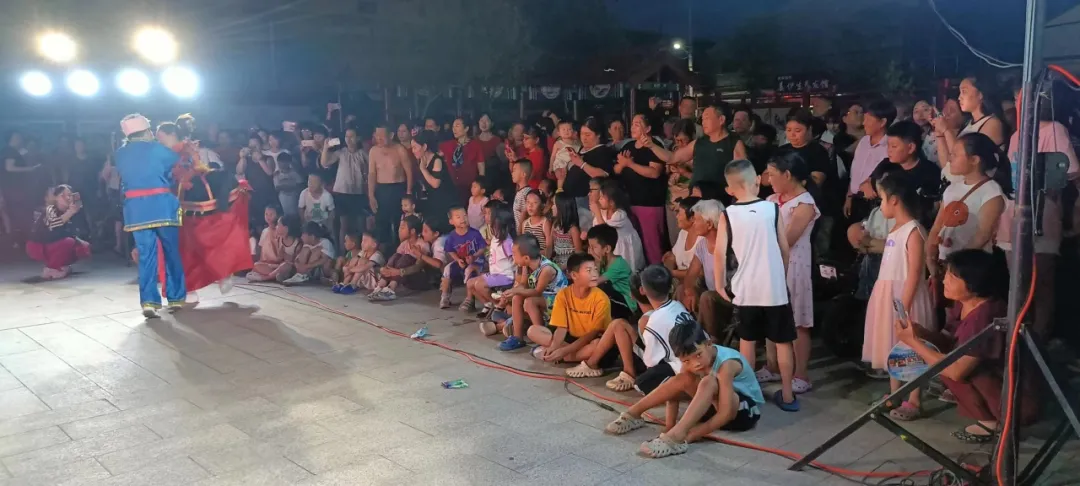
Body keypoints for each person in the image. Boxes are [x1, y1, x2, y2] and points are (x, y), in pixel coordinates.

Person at [894, 249, 1037, 443]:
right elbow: (948, 340)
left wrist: (913, 342)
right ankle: (991, 419)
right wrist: (920, 333)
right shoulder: (963, 305)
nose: (944, 281)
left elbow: (956, 371)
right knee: (941, 356)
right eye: (946, 274)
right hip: (995, 384)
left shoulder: (985, 316)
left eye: (952, 278)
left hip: (1015, 399)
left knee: (949, 365)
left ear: (974, 283)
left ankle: (996, 421)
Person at [604, 319, 763, 459]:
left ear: (708, 344)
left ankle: (677, 437)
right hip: (715, 406)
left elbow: (726, 414)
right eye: (687, 360)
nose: (695, 363)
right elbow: (676, 389)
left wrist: (690, 435)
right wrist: (669, 426)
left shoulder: (727, 365)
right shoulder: (691, 362)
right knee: (683, 377)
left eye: (698, 355)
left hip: (743, 413)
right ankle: (634, 413)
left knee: (708, 381)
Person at [714, 159, 799, 411]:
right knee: (783, 343)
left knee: (747, 342)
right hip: (774, 289)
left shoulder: (728, 215)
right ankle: (788, 394)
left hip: (745, 289)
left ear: (729, 189)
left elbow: (719, 253)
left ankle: (749, 395)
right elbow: (785, 249)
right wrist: (780, 277)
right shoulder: (772, 209)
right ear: (758, 181)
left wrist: (719, 284)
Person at [862, 171, 936, 419]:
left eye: (882, 199)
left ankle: (914, 399)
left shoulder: (913, 230)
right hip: (888, 295)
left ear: (894, 200)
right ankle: (894, 394)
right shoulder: (895, 229)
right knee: (892, 345)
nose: (881, 205)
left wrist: (903, 307)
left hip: (906, 298)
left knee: (911, 348)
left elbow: (914, 272)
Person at [568, 265, 686, 394]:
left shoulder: (648, 320)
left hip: (667, 366)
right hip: (678, 360)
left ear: (635, 294)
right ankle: (594, 364)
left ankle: (627, 372)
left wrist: (646, 380)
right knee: (618, 324)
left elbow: (652, 360)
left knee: (618, 326)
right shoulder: (677, 305)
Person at [113, 114, 185, 316]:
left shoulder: (120, 153)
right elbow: (174, 162)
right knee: (171, 252)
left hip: (137, 210)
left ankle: (149, 303)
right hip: (162, 206)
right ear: (146, 131)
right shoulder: (158, 149)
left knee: (146, 256)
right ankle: (176, 298)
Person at [761, 152, 820, 394]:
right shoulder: (771, 199)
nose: (768, 179)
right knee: (770, 314)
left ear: (787, 175)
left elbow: (789, 239)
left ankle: (801, 374)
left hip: (794, 266)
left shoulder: (805, 204)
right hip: (769, 263)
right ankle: (772, 366)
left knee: (798, 321)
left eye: (772, 174)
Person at [926, 133, 1010, 280]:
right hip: (945, 263)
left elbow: (983, 235)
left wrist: (955, 264)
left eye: (955, 155)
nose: (950, 159)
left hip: (970, 269)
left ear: (974, 160)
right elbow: (937, 225)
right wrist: (930, 255)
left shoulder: (991, 192)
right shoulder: (952, 189)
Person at [644, 104, 748, 206]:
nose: (703, 122)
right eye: (702, 119)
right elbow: (672, 158)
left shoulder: (734, 143)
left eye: (707, 118)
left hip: (721, 202)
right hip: (696, 200)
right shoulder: (699, 143)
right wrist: (652, 145)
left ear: (721, 120)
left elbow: (742, 178)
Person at [525, 253, 614, 365]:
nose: (595, 274)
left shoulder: (601, 299)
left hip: (591, 339)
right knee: (533, 331)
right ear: (574, 275)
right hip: (570, 339)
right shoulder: (563, 295)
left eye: (595, 269)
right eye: (589, 270)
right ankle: (572, 356)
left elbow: (592, 334)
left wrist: (564, 351)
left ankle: (565, 357)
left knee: (597, 345)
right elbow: (561, 328)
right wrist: (554, 346)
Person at [780, 109, 838, 253]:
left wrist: (785, 181)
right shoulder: (781, 151)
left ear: (809, 130)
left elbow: (816, 180)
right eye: (788, 130)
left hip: (815, 207)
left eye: (797, 130)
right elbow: (767, 178)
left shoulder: (818, 151)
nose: (792, 135)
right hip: (784, 207)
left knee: (813, 249)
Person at [497, 234, 568, 351]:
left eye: (514, 254)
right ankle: (517, 337)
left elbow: (537, 291)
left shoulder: (546, 269)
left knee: (529, 302)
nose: (513, 257)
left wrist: (516, 291)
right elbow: (523, 284)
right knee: (516, 298)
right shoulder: (527, 265)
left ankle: (540, 336)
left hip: (559, 302)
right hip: (545, 298)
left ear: (526, 258)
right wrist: (513, 291)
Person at [615, 114, 667, 265]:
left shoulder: (654, 145)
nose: (633, 127)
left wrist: (630, 164)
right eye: (632, 124)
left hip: (649, 202)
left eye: (637, 124)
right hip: (630, 201)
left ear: (648, 128)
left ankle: (656, 272)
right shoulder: (628, 146)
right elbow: (616, 170)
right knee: (634, 242)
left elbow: (654, 172)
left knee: (652, 243)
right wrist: (623, 164)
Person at [936, 76, 1008, 183]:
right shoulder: (968, 123)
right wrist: (939, 133)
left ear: (980, 94)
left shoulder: (992, 124)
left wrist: (946, 130)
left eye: (964, 92)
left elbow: (965, 158)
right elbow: (948, 163)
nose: (959, 97)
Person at [876, 120, 944, 228]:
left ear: (911, 147)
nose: (889, 150)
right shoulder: (887, 166)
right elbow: (871, 187)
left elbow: (932, 209)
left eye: (894, 146)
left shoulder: (929, 172)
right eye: (888, 146)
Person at [683, 199, 730, 339]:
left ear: (709, 224)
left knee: (707, 297)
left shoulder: (729, 244)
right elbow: (691, 274)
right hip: (712, 295)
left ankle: (712, 340)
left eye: (697, 220)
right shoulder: (702, 245)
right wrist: (689, 291)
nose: (693, 223)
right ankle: (686, 332)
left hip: (729, 298)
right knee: (681, 290)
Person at [845, 100, 896, 223]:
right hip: (856, 200)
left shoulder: (891, 146)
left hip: (875, 203)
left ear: (882, 122)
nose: (864, 123)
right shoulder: (863, 142)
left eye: (868, 120)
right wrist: (849, 196)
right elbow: (855, 173)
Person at [26, 185, 91, 279]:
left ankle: (61, 266)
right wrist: (70, 212)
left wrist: (81, 242)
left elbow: (73, 231)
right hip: (37, 245)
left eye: (69, 195)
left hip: (54, 242)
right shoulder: (50, 209)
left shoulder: (72, 211)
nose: (67, 198)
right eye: (62, 195)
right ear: (56, 197)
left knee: (83, 247)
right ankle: (51, 268)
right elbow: (54, 224)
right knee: (69, 242)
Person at [321, 127, 369, 250]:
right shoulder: (341, 152)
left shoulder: (363, 153)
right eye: (347, 136)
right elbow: (324, 163)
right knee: (344, 226)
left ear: (357, 138)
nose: (349, 139)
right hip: (341, 193)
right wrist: (325, 147)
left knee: (361, 225)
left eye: (352, 136)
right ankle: (343, 253)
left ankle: (362, 251)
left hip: (358, 193)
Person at [368, 124, 414, 250]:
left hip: (398, 189)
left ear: (391, 135)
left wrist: (409, 192)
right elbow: (372, 174)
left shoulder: (399, 149)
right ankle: (384, 252)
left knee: (400, 222)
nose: (379, 138)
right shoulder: (373, 151)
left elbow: (409, 172)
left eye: (382, 136)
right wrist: (371, 195)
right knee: (381, 224)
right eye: (377, 135)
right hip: (381, 190)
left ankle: (401, 250)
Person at [565, 118, 615, 230]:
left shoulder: (603, 151)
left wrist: (581, 164)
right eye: (582, 134)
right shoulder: (582, 149)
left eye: (588, 134)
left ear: (598, 135)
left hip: (585, 201)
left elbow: (603, 175)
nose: (584, 138)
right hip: (572, 200)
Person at [474, 205, 518, 332]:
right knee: (474, 283)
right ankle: (498, 309)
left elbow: (516, 262)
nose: (487, 218)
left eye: (490, 215)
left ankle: (497, 306)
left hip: (506, 276)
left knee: (479, 284)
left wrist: (516, 282)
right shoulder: (496, 238)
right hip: (497, 274)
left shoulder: (507, 242)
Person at [368, 216, 433, 301]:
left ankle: (391, 289)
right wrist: (386, 269)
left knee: (407, 257)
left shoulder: (422, 244)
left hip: (420, 279)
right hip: (405, 279)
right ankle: (380, 287)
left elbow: (418, 267)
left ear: (412, 231)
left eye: (402, 228)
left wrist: (398, 271)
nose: (399, 230)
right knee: (396, 256)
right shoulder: (404, 244)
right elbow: (395, 260)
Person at [591, 179, 645, 271]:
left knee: (625, 269)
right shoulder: (603, 213)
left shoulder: (620, 215)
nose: (599, 200)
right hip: (612, 246)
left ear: (612, 202)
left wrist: (597, 212)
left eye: (602, 198)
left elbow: (605, 230)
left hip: (623, 248)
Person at [440, 207, 488, 310]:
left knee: (469, 270)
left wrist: (474, 256)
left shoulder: (475, 233)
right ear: (451, 221)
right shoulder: (452, 236)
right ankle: (445, 296)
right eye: (458, 217)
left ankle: (469, 300)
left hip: (477, 262)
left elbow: (483, 248)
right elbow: (450, 250)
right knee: (447, 269)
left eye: (465, 216)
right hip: (461, 261)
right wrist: (458, 259)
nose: (463, 219)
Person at [587, 223, 637, 316]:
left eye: (594, 247)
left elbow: (594, 283)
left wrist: (596, 263)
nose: (590, 251)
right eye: (589, 247)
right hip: (615, 299)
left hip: (627, 304)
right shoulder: (603, 261)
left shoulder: (618, 264)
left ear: (607, 249)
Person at [412, 130, 457, 222]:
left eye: (415, 148)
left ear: (424, 147)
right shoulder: (422, 159)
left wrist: (423, 169)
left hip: (443, 201)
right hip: (431, 199)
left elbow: (435, 183)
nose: (413, 151)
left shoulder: (437, 160)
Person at [665, 120, 697, 246]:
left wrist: (684, 171)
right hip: (672, 201)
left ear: (692, 137)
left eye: (683, 140)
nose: (680, 144)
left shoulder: (698, 151)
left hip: (689, 201)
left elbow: (701, 177)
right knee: (674, 238)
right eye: (677, 140)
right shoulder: (672, 150)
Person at [439, 117, 486, 202]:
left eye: (457, 126)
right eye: (453, 126)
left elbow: (481, 168)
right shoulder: (447, 145)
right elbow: (435, 156)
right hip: (451, 187)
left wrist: (480, 187)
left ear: (466, 128)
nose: (454, 129)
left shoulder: (475, 145)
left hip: (469, 187)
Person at [248, 215, 300, 282]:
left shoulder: (297, 243)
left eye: (278, 225)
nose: (276, 227)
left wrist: (288, 259)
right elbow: (279, 259)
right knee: (256, 265)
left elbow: (297, 263)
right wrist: (274, 264)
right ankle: (278, 276)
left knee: (286, 265)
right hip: (279, 267)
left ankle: (265, 277)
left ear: (286, 228)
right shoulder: (280, 240)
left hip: (290, 268)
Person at [549, 193, 582, 268]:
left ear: (561, 208)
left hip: (569, 267)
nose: (551, 207)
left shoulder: (573, 230)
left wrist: (563, 267)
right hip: (556, 264)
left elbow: (578, 254)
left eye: (554, 204)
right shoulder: (555, 225)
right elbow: (550, 246)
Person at [273, 152, 304, 218]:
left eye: (284, 162)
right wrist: (291, 185)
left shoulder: (295, 173)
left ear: (289, 162)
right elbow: (277, 188)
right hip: (282, 201)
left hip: (295, 200)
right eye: (280, 163)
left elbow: (300, 186)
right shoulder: (276, 174)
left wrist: (284, 186)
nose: (281, 165)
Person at [510, 160, 533, 230]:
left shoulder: (526, 193)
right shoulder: (520, 191)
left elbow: (525, 214)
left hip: (524, 232)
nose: (512, 173)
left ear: (523, 174)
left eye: (514, 170)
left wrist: (520, 232)